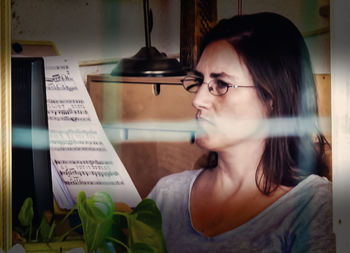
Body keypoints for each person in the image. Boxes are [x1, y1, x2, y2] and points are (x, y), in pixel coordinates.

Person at [148, 12, 336, 252]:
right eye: (199, 82)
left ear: (273, 98)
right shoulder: (165, 195)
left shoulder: (315, 207)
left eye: (222, 84)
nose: (198, 100)